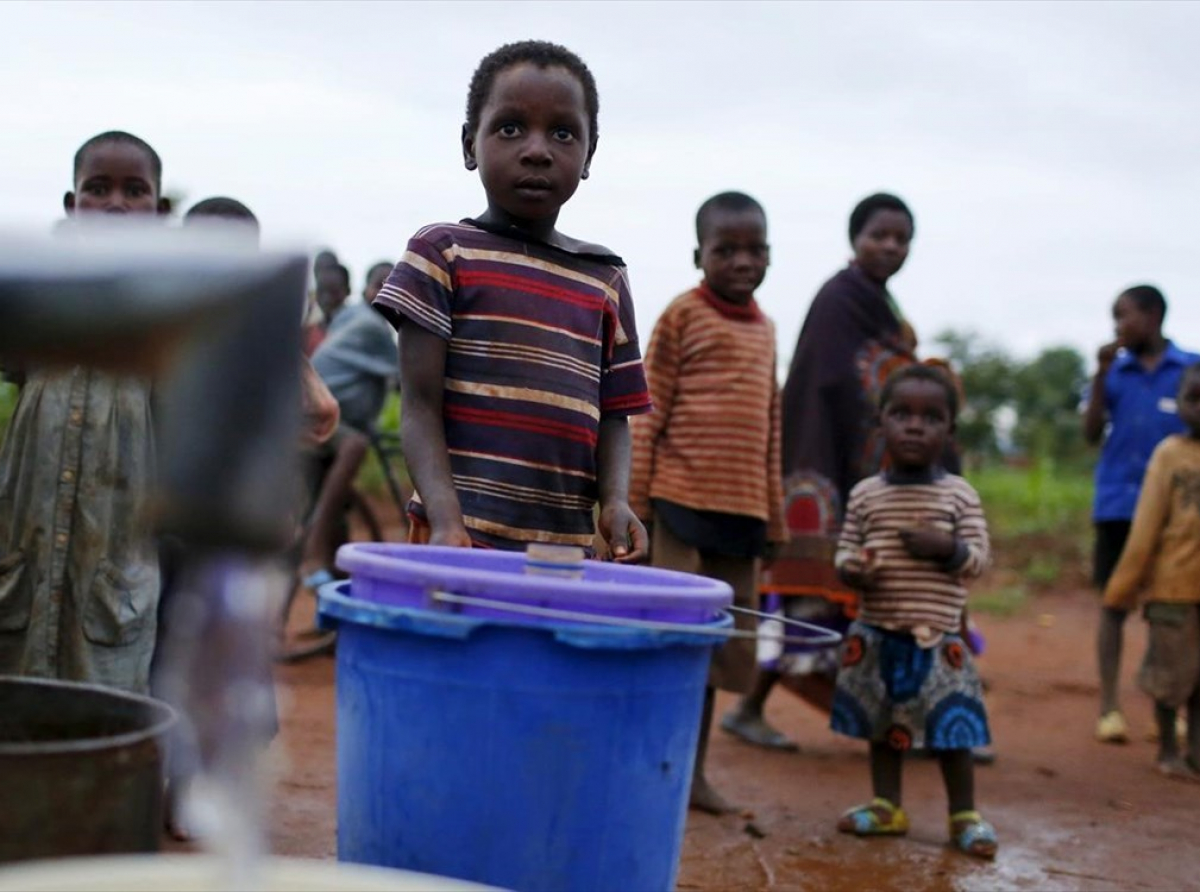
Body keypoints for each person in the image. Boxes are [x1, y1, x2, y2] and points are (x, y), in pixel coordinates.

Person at [373, 39, 650, 559]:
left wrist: (614, 502)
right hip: (458, 538)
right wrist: (445, 519)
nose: (537, 149)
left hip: (564, 553)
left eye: (563, 133)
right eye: (510, 127)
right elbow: (419, 407)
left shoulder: (604, 278)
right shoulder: (441, 253)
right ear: (469, 145)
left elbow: (615, 416)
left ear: (589, 154)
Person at [723, 193, 921, 750]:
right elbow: (833, 383)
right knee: (809, 595)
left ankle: (889, 717)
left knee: (857, 603)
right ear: (854, 240)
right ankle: (751, 707)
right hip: (822, 469)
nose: (889, 246)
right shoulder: (841, 299)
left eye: (901, 238)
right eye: (878, 235)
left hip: (855, 473)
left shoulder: (883, 305)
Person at [629, 191, 787, 815]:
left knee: (720, 653)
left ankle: (690, 776)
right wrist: (636, 504)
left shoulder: (769, 330)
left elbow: (771, 428)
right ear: (701, 255)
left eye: (755, 250)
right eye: (727, 250)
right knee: (672, 642)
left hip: (741, 518)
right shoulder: (681, 315)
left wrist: (773, 514)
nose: (742, 262)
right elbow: (647, 411)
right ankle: (648, 767)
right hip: (679, 506)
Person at [0, 131, 170, 695]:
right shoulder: (37, 299)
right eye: (97, 189)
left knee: (107, 719)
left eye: (134, 190)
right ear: (72, 208)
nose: (116, 204)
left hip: (115, 586)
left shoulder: (171, 307)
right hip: (21, 572)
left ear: (159, 213)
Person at [831, 364, 996, 859]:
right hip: (878, 633)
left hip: (938, 639)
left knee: (952, 729)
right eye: (901, 414)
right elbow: (843, 553)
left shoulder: (958, 494)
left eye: (931, 417)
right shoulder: (866, 494)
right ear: (881, 423)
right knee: (883, 726)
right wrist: (855, 571)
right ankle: (887, 805)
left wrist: (945, 546)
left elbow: (979, 559)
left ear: (950, 431)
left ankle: (963, 815)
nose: (915, 426)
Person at [1083, 285, 1199, 744]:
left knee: (1171, 608)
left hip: (1178, 517)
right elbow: (1091, 432)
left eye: (1123, 316)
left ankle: (1167, 703)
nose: (1117, 326)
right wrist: (1099, 374)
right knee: (1113, 604)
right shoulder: (1115, 372)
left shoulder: (1190, 369)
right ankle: (1109, 706)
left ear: (1152, 316)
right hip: (1118, 504)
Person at [1102, 362, 1200, 779]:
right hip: (1172, 588)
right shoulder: (1169, 455)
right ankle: (1166, 750)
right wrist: (1123, 588)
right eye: (1194, 398)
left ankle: (1195, 750)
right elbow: (1145, 527)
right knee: (1169, 674)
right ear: (1177, 403)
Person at [301, 262, 401, 586]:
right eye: (378, 285)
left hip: (315, 415)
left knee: (333, 506)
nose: (384, 292)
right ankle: (317, 549)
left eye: (392, 286)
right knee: (355, 445)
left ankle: (327, 570)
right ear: (365, 291)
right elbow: (407, 378)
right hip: (319, 417)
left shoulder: (349, 316)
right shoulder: (374, 328)